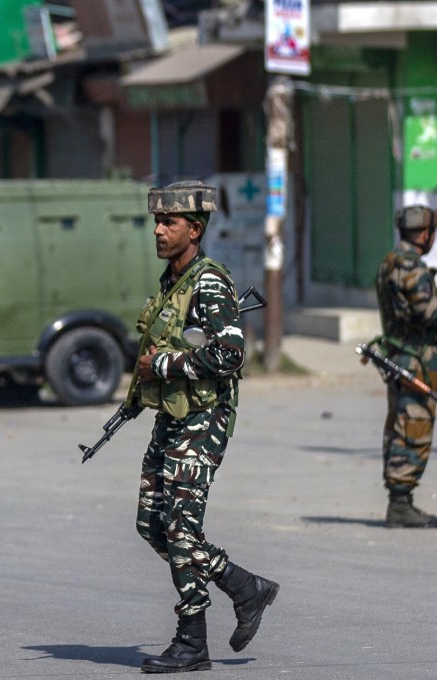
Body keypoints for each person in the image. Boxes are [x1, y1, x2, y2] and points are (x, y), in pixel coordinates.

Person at [128, 181, 279, 673]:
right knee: (152, 525)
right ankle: (243, 585)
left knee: (179, 529)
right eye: (157, 221)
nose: (158, 230)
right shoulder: (173, 280)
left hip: (202, 421)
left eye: (169, 222)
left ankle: (191, 640)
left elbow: (230, 353)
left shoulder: (208, 282)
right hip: (172, 419)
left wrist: (165, 366)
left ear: (194, 229)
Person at [372, 205, 437, 528]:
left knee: (401, 423)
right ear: (426, 234)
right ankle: (400, 504)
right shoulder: (411, 268)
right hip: (415, 359)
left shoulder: (389, 264)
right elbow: (429, 313)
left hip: (398, 355)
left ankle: (399, 500)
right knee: (414, 426)